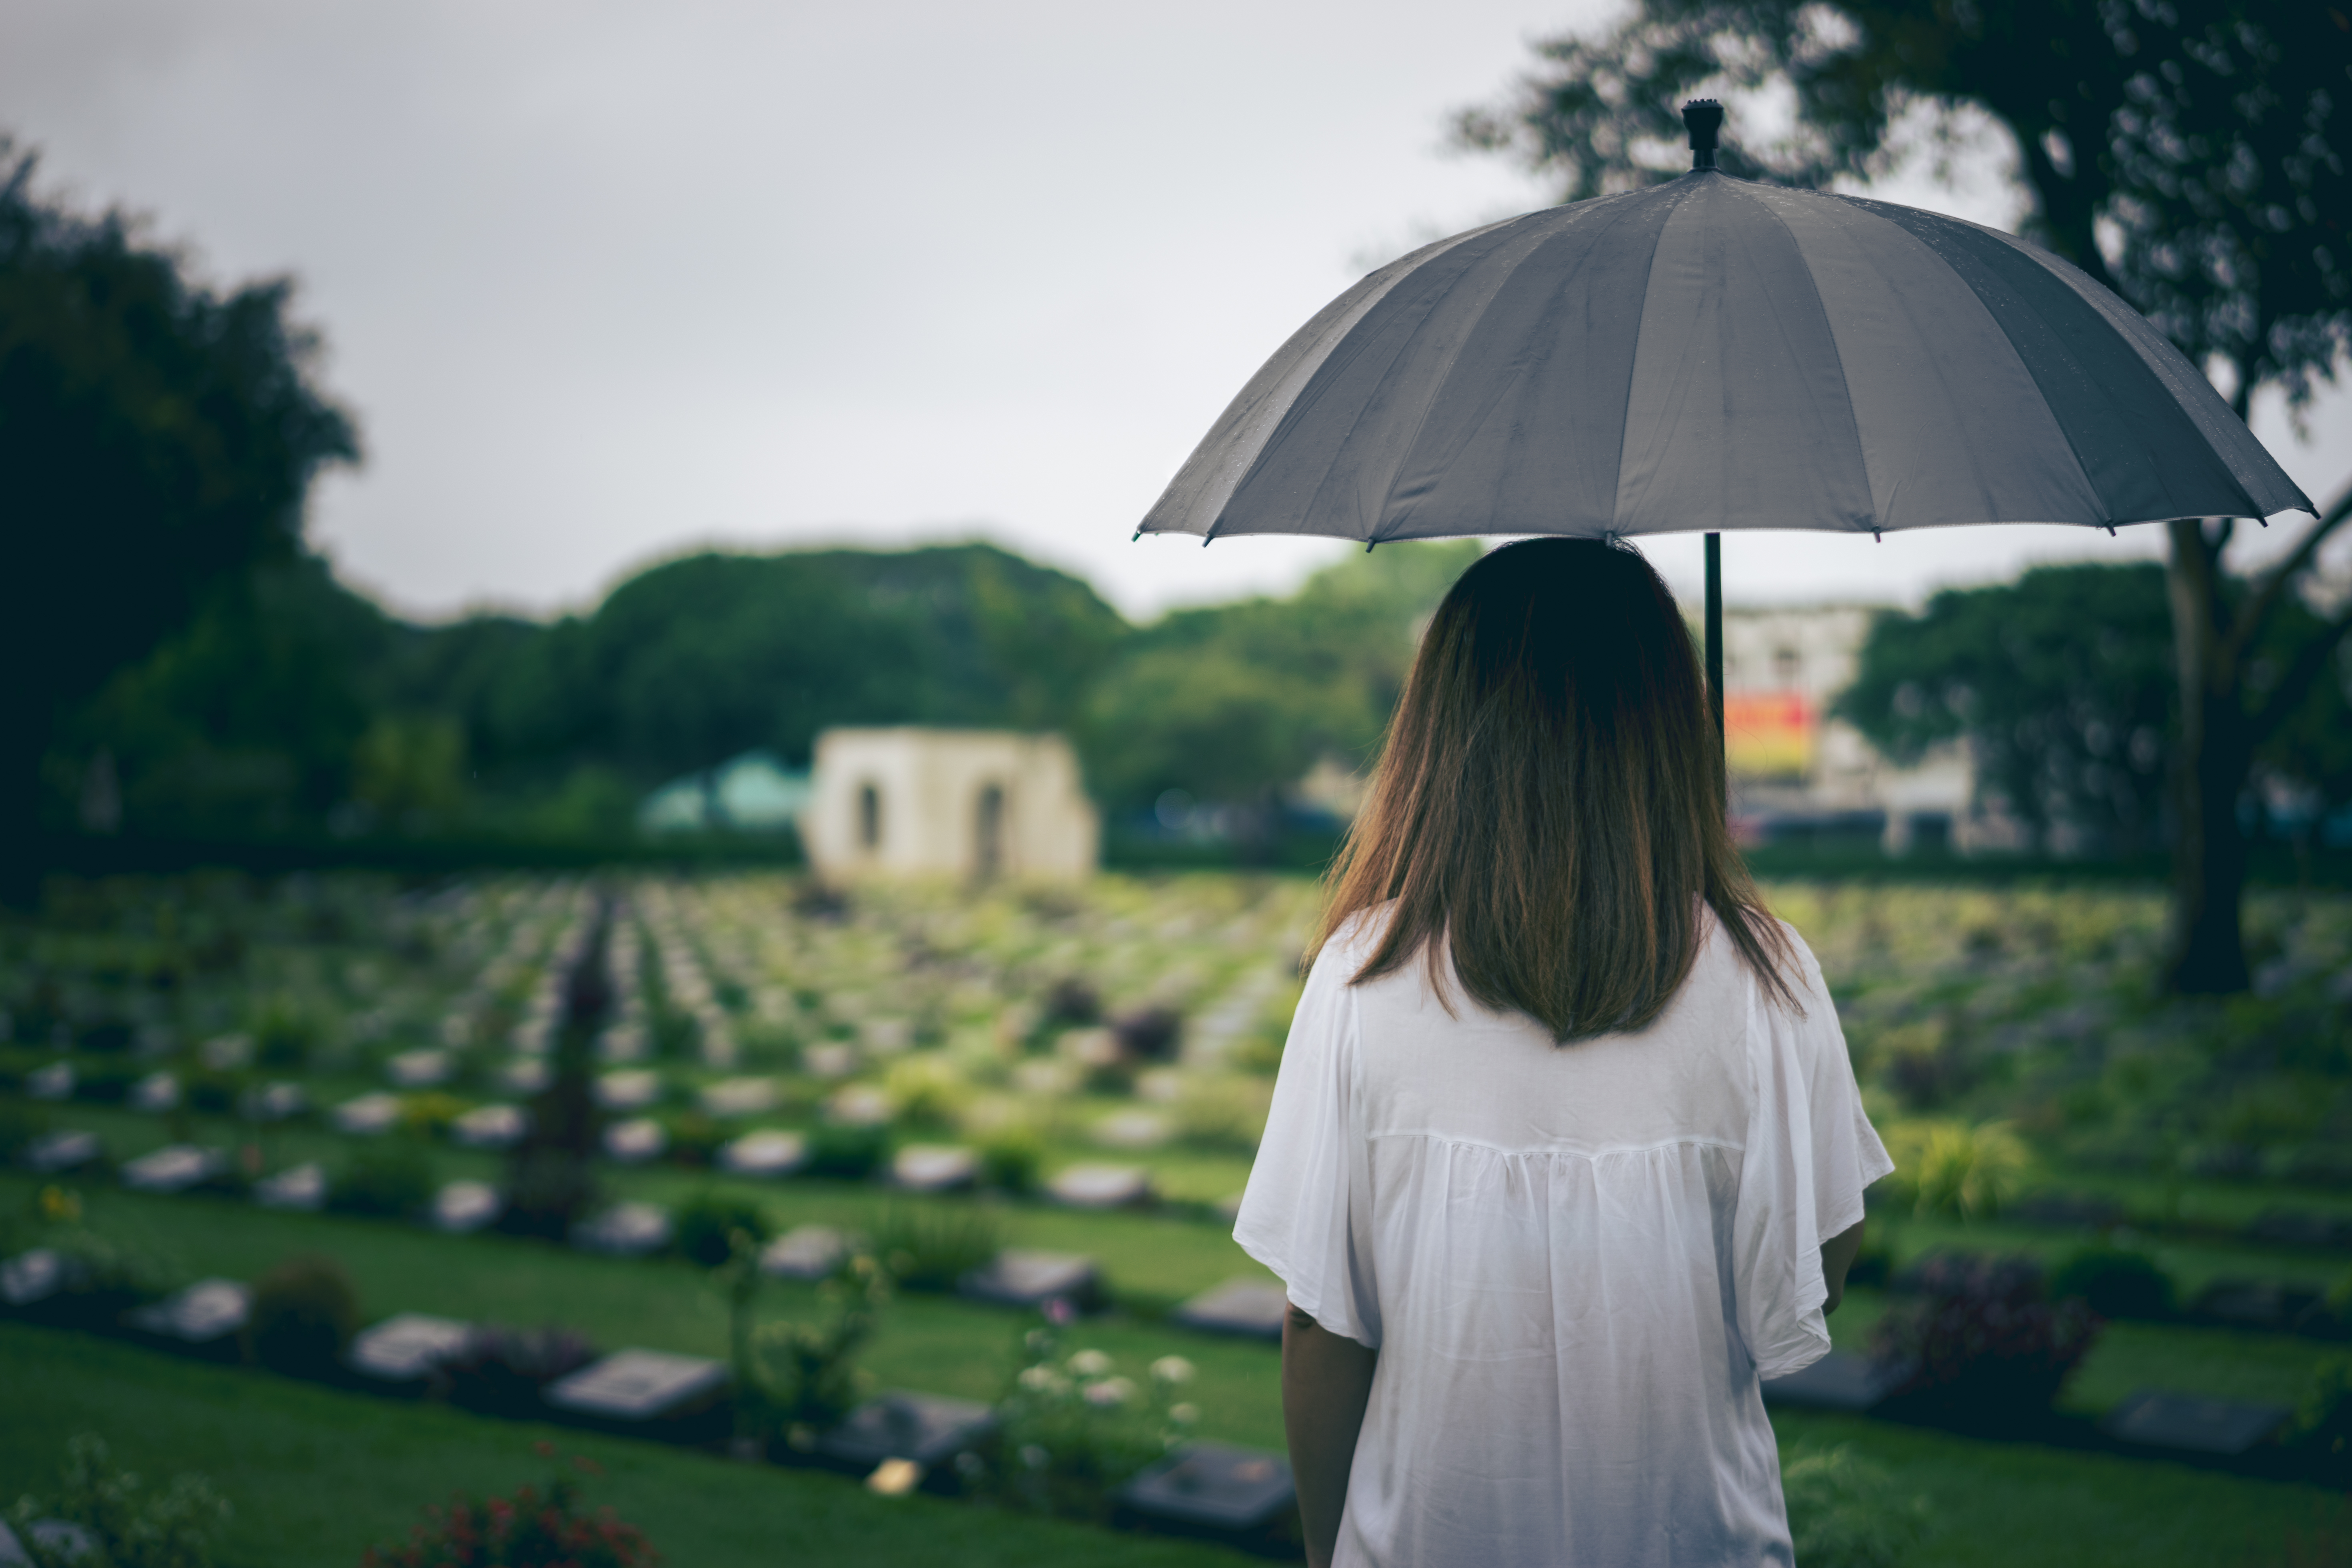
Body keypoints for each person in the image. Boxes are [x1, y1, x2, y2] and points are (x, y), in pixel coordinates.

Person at [1234, 537, 1891, 1568]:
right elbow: (1821, 1265)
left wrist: (1326, 1551)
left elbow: (1323, 1325)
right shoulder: (1769, 973)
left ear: (1445, 727)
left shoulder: (1362, 972)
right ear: (1667, 722)